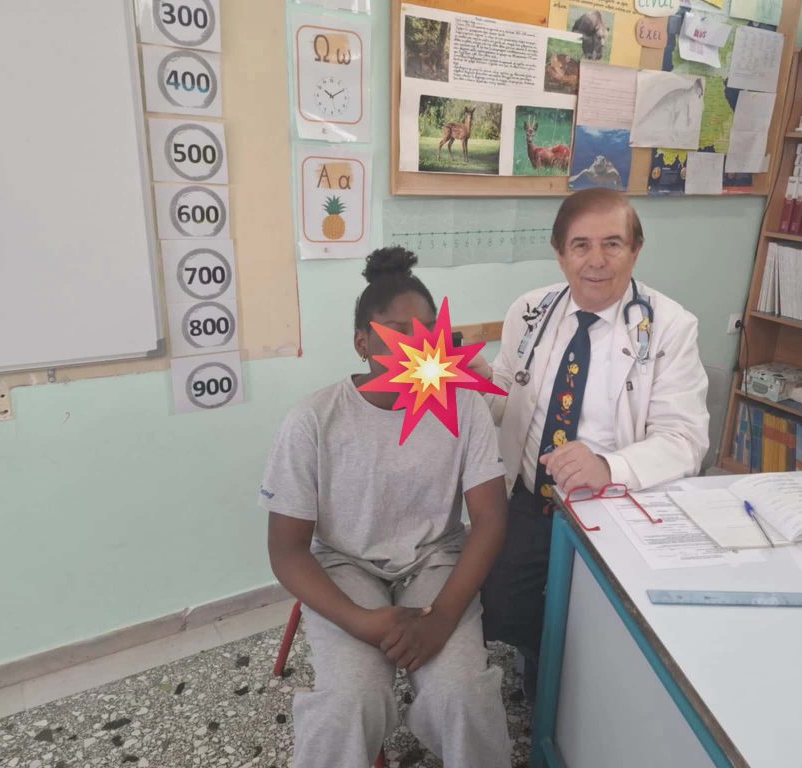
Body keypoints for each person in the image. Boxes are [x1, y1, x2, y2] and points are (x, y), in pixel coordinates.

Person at [261, 248, 512, 768]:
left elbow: (490, 519)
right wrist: (362, 622)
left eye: (427, 333)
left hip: (436, 562)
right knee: (348, 703)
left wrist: (443, 618)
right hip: (344, 566)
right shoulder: (313, 420)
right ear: (363, 342)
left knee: (464, 696)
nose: (416, 348)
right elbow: (287, 551)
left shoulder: (464, 406)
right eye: (398, 333)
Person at [475, 188, 710, 699]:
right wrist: (477, 381)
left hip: (614, 505)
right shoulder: (529, 310)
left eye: (613, 244)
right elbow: (508, 399)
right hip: (533, 497)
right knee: (500, 606)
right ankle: (547, 657)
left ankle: (575, 688)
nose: (597, 260)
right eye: (581, 245)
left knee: (602, 617)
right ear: (560, 253)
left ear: (635, 250)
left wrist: (609, 465)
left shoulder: (670, 327)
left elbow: (686, 440)